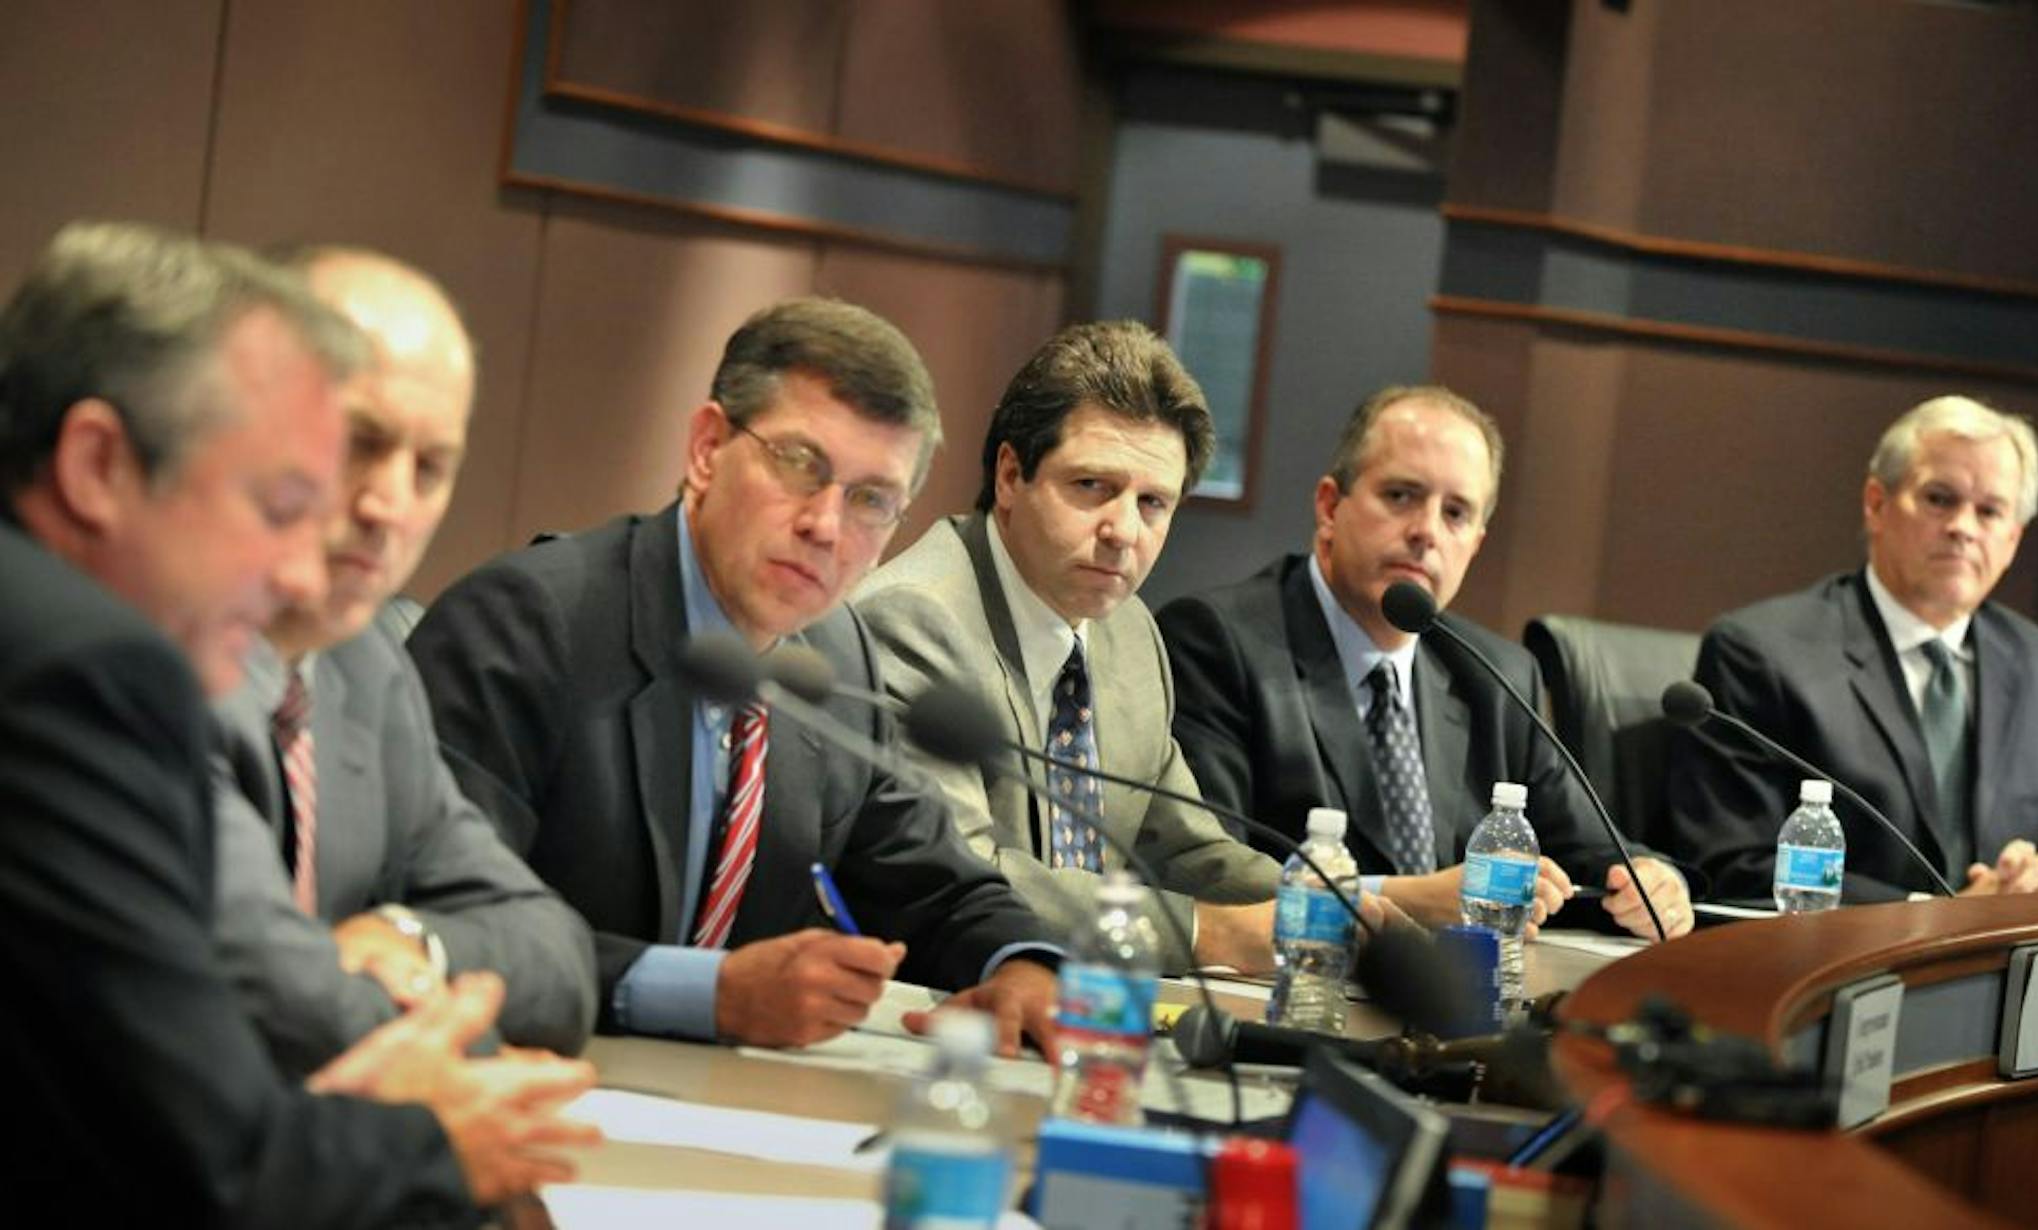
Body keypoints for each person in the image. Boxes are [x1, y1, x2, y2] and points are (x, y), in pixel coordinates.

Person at [0, 220, 595, 1224]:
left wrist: (409, 964)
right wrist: (439, 1122)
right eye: (278, 503)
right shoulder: (82, 673)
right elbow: (222, 1162)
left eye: (429, 465)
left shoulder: (358, 659)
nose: (295, 566)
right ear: (97, 464)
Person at [408, 297, 1059, 1055]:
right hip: (525, 1077)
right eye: (798, 464)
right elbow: (446, 920)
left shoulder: (835, 651)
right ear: (707, 448)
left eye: (871, 499)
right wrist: (704, 993)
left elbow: (933, 881)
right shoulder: (529, 622)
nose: (825, 525)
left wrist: (1022, 963)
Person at [209, 246, 596, 1074]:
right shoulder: (151, 661)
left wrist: (408, 935)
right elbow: (261, 999)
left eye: (431, 468)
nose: (390, 506)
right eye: (360, 442)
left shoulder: (367, 665)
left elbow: (555, 955)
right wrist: (453, 1047)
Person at [1159, 385, 1696, 941]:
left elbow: (1595, 847)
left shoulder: (1498, 675)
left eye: (1456, 513)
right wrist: (1406, 899)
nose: (1426, 532)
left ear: (1476, 543)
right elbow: (1206, 869)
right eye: (1400, 496)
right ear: (1329, 506)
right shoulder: (1218, 641)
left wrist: (1653, 881)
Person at [852, 321, 1285, 972]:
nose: (1123, 531)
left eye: (1153, 503)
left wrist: (1329, 913)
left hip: (1083, 1011)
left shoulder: (1130, 632)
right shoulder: (916, 620)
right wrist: (1212, 934)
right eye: (1092, 488)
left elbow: (1183, 849)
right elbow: (966, 871)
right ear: (1009, 475)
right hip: (942, 1003)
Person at [1667, 396, 2038, 902]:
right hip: (1826, 970)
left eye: (1990, 511)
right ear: (1876, 504)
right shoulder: (1763, 654)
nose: (1963, 528)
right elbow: (1736, 863)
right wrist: (1933, 919)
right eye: (1939, 499)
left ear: (2014, 539)